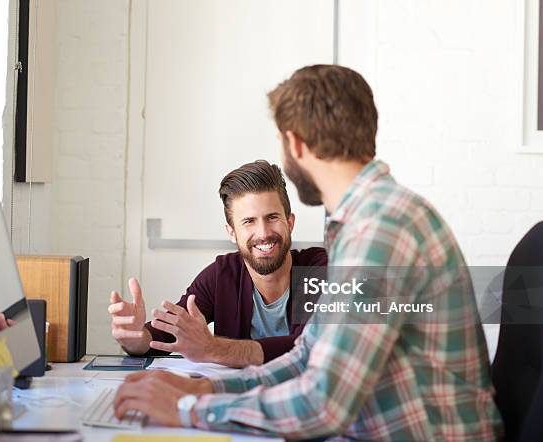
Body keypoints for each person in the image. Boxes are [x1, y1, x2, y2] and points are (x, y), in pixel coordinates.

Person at [112, 65, 503, 441]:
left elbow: (324, 404)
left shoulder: (380, 230)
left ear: (295, 143)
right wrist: (202, 389)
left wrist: (188, 410)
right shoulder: (366, 222)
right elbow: (305, 360)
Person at [109, 160, 327, 368]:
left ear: (290, 222)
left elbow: (314, 348)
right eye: (249, 222)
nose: (263, 233)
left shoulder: (323, 270)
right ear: (232, 232)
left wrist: (213, 348)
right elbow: (164, 337)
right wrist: (135, 337)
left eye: (272, 218)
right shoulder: (221, 275)